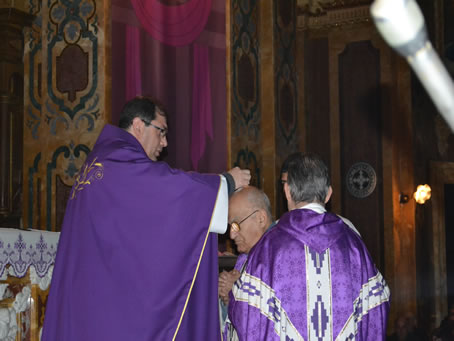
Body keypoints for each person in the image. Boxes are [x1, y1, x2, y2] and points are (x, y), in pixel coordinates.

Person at [42, 96, 251, 341]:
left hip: (93, 294)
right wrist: (225, 182)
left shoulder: (103, 160)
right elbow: (167, 190)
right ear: (139, 125)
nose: (165, 142)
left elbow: (136, 231)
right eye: (161, 131)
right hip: (104, 301)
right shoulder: (118, 161)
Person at [226, 152, 390, 340]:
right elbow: (377, 307)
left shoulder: (268, 248)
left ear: (287, 191)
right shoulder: (354, 245)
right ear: (328, 194)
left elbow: (247, 316)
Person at [218, 186, 275, 306]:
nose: (232, 235)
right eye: (231, 226)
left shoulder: (280, 255)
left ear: (261, 219)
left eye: (236, 224)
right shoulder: (246, 256)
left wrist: (238, 291)